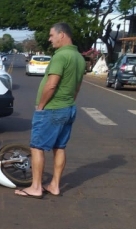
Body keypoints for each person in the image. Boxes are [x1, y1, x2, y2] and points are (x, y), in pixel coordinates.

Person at [15, 22, 86, 199]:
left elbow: (52, 84)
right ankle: (54, 185)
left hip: (52, 109)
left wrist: (41, 106)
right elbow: (77, 87)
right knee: (59, 147)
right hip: (68, 108)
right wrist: (68, 103)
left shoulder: (61, 56)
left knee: (37, 147)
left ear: (62, 35)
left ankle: (36, 187)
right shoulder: (79, 57)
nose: (50, 39)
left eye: (52, 35)